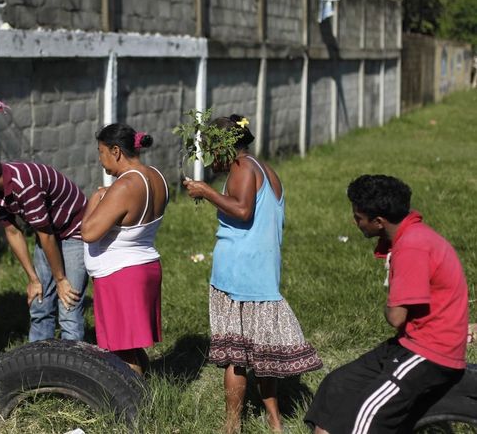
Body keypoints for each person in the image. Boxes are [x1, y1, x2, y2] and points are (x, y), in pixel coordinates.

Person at [183, 114, 322, 433]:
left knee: (236, 356)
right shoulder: (264, 169)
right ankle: (275, 422)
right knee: (264, 353)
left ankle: (232, 425)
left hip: (238, 274)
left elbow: (243, 210)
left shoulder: (242, 168)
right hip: (261, 272)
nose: (209, 157)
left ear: (225, 146)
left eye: (211, 149)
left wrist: (206, 191)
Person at [305, 174, 468, 434]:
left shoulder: (412, 246)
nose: (355, 222)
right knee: (338, 385)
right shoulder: (409, 236)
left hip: (430, 352)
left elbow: (396, 317)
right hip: (409, 343)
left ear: (378, 221)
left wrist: (389, 305)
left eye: (358, 217)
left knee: (364, 420)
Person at [0, 143, 88, 341]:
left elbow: (47, 235)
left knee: (69, 305)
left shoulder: (25, 186)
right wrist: (33, 279)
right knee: (39, 302)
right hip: (48, 232)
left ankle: (72, 366)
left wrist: (61, 280)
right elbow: (12, 231)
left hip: (75, 232)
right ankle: (38, 363)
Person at [81, 124, 168, 375]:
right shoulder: (157, 177)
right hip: (146, 264)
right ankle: (147, 396)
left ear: (116, 151)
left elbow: (89, 233)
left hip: (121, 272)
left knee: (122, 348)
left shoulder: (125, 185)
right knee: (132, 346)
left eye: (101, 152)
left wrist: (95, 200)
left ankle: (132, 408)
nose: (100, 160)